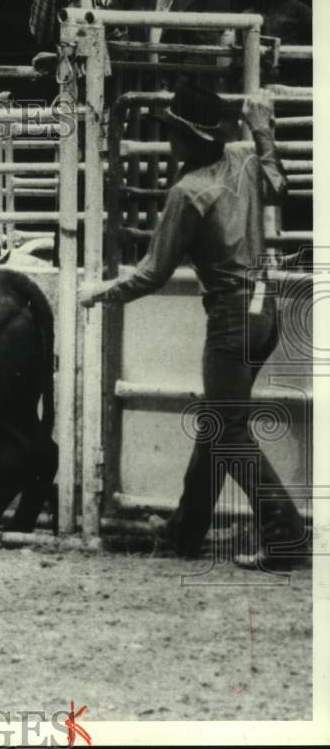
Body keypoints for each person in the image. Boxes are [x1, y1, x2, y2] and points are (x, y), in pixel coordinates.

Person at [80, 81, 308, 571]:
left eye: (174, 135)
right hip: (265, 311)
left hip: (230, 315)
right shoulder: (245, 160)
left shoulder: (187, 192)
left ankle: (285, 531)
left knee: (226, 430)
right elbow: (280, 187)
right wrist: (265, 133)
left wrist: (99, 292)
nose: (170, 143)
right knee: (218, 422)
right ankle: (186, 529)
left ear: (186, 140)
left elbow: (152, 273)